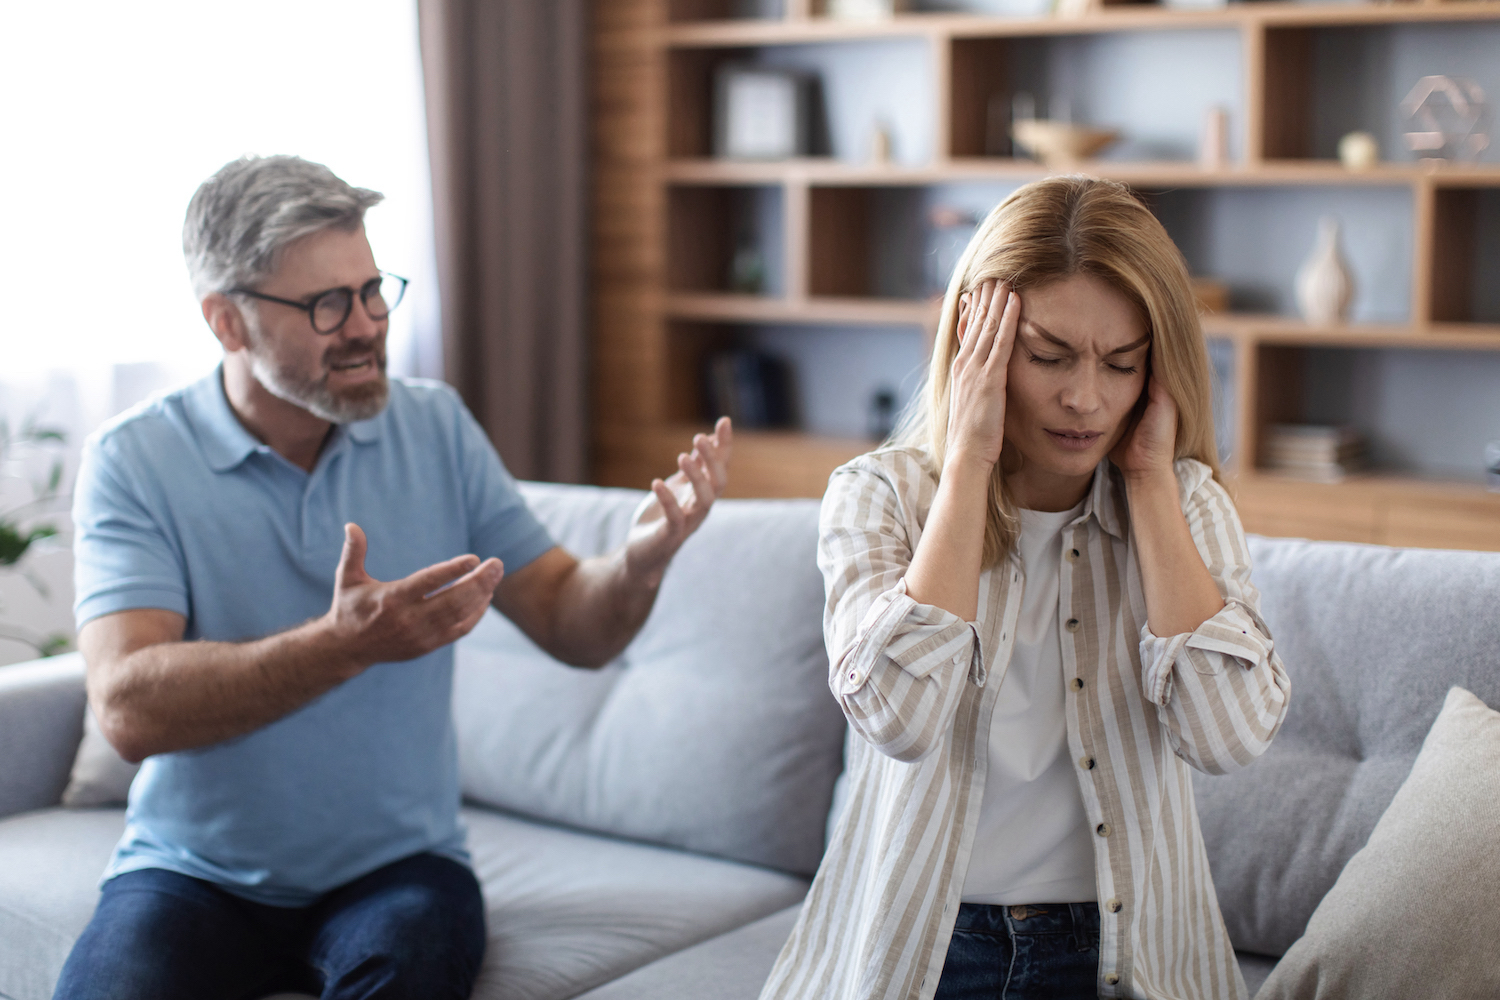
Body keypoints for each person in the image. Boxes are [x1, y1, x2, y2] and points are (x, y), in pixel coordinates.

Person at [56, 154, 733, 1000]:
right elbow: (126, 707)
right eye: (326, 304)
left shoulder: (435, 426)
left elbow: (572, 622)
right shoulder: (135, 460)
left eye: (374, 289)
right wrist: (341, 647)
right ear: (226, 322)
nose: (368, 324)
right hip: (191, 872)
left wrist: (638, 566)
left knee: (407, 966)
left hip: (399, 872)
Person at [760, 176, 1290, 1000]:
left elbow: (1228, 736)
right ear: (978, 344)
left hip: (1123, 949)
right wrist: (968, 463)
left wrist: (1150, 480)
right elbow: (898, 718)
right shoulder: (877, 495)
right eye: (1047, 356)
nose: (1086, 398)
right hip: (932, 947)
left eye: (1121, 364)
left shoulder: (1185, 503)